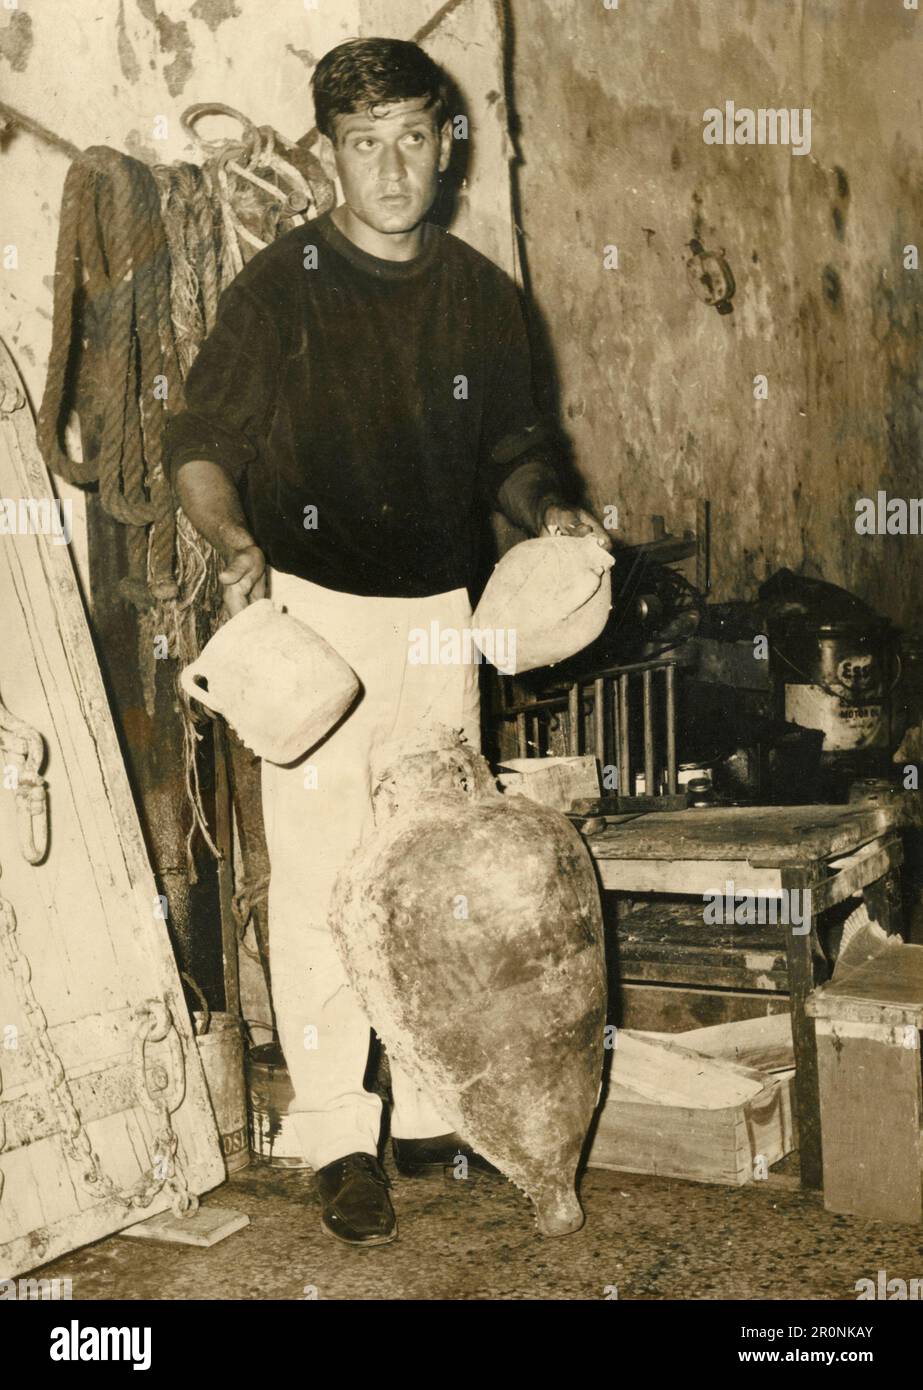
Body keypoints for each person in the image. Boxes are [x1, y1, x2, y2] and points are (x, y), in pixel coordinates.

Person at [166, 36, 609, 1246]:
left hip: (438, 624)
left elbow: (515, 455)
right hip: (312, 614)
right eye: (365, 145)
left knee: (440, 871)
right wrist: (228, 539)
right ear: (326, 156)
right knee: (320, 882)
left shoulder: (478, 296)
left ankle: (424, 1107)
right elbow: (198, 438)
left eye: (414, 136)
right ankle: (335, 1135)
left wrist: (551, 512)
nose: (394, 166)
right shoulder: (282, 286)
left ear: (443, 143)